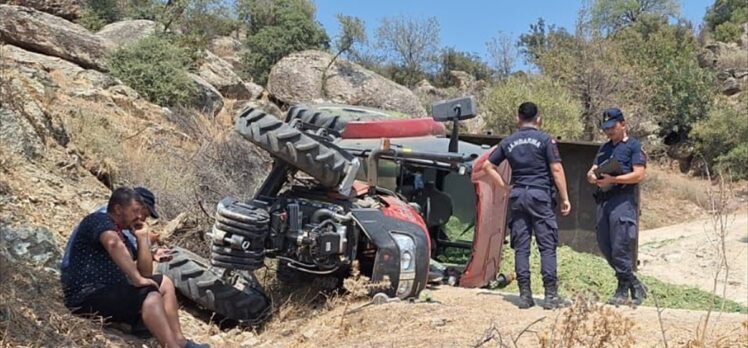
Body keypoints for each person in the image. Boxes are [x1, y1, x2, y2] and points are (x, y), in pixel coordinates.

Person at [61, 187, 208, 348]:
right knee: (149, 295)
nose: (140, 217)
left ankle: (180, 341)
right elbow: (112, 244)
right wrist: (137, 279)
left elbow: (145, 273)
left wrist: (142, 238)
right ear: (118, 209)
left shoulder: (123, 235)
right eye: (135, 211)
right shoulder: (99, 220)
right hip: (87, 293)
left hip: (110, 292)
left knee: (163, 282)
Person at [482, 102, 572, 310]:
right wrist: (565, 197)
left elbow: (488, 166)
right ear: (538, 119)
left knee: (521, 247)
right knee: (547, 245)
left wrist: (504, 187)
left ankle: (525, 296)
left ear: (518, 118)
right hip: (540, 196)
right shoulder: (545, 140)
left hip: (518, 196)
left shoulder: (508, 142)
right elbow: (556, 169)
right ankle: (550, 296)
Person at [586, 107, 648, 306]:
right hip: (604, 200)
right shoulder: (604, 148)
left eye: (612, 127)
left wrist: (615, 178)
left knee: (621, 244)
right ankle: (635, 283)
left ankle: (623, 289)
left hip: (622, 200)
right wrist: (592, 177)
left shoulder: (633, 146)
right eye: (606, 128)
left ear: (623, 124)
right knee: (606, 245)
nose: (609, 132)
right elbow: (593, 170)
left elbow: (639, 174)